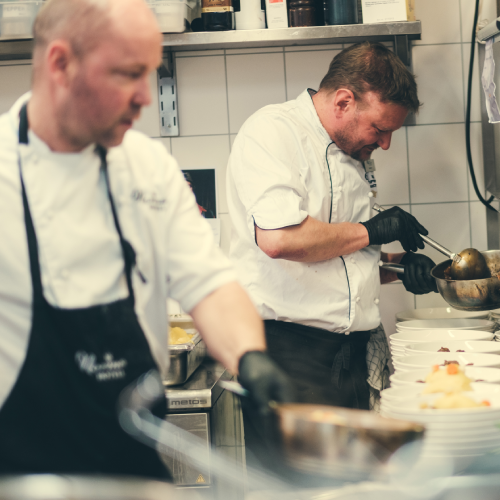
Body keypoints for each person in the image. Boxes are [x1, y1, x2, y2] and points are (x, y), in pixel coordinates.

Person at [0, 0, 292, 479]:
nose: (145, 97)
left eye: (149, 73)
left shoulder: (149, 168)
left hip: (134, 466)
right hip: (23, 477)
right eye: (128, 74)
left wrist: (250, 358)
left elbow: (209, 285)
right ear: (60, 63)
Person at [226, 42, 438, 467]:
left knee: (355, 489)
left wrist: (398, 268)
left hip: (350, 358)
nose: (385, 143)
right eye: (380, 128)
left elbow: (337, 257)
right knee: (300, 492)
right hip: (291, 358)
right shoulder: (273, 132)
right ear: (343, 101)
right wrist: (372, 230)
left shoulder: (351, 152)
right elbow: (279, 240)